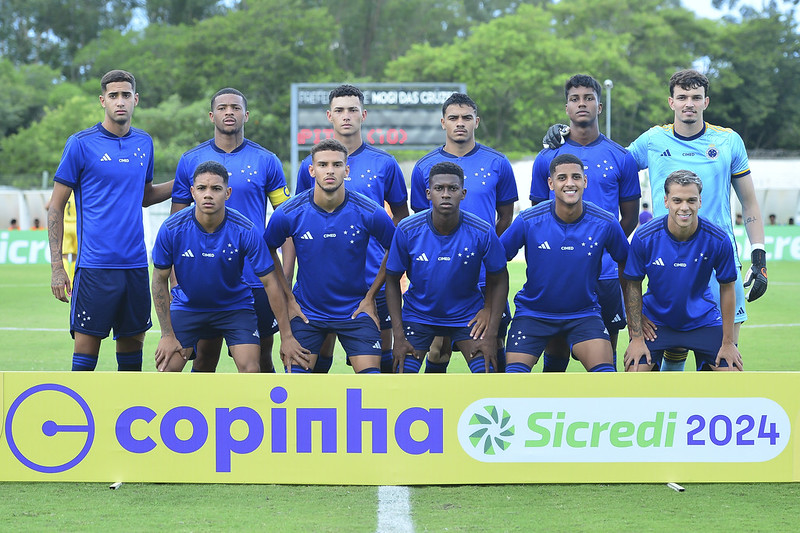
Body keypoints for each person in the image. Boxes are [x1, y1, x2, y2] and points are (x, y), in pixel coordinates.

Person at [544, 69, 767, 371]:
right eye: (683, 97)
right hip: (665, 258)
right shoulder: (652, 139)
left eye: (696, 97)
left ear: (706, 102)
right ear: (671, 102)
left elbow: (749, 202)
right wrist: (569, 137)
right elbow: (609, 164)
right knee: (669, 352)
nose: (689, 103)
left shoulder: (728, 141)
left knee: (724, 354)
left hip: (716, 257)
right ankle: (668, 415)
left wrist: (758, 254)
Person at [48, 69, 173, 371]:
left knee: (131, 361)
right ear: (102, 100)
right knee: (85, 359)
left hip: (134, 267)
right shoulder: (81, 144)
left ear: (136, 100)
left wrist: (186, 181)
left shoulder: (144, 143)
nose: (120, 102)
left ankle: (124, 418)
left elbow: (145, 196)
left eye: (126, 95)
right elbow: (55, 207)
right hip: (94, 268)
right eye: (114, 96)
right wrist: (57, 267)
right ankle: (79, 417)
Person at [171, 87, 292, 373]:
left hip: (256, 278)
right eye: (223, 107)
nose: (229, 112)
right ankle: (196, 417)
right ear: (212, 115)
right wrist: (177, 281)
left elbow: (285, 223)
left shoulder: (267, 160)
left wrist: (284, 277)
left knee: (262, 358)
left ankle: (264, 416)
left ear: (245, 115)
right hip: (204, 278)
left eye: (235, 108)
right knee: (204, 358)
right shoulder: (190, 160)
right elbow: (176, 226)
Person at [151, 161, 307, 373]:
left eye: (216, 188)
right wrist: (167, 335)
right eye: (201, 188)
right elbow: (159, 279)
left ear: (227, 193)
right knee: (167, 369)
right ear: (192, 192)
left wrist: (287, 337)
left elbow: (270, 283)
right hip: (189, 306)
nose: (208, 194)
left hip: (235, 307)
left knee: (252, 369)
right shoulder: (172, 229)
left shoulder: (245, 230)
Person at [295, 84, 409, 373]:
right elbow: (297, 220)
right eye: (340, 110)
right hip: (320, 282)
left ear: (363, 114)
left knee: (380, 357)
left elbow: (400, 220)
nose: (346, 116)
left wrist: (393, 271)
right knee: (318, 353)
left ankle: (384, 415)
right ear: (329, 116)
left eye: (352, 110)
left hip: (373, 280)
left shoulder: (385, 163)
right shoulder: (312, 165)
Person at [530, 74, 640, 372]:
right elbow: (537, 214)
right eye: (575, 99)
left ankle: (607, 412)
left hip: (604, 272)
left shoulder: (621, 157)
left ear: (599, 106)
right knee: (556, 349)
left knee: (605, 351)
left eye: (588, 98)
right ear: (566, 108)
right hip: (558, 271)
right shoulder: (547, 157)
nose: (582, 104)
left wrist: (603, 246)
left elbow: (629, 214)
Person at [264, 139, 396, 374]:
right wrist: (290, 300)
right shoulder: (288, 213)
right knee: (297, 387)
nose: (330, 170)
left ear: (346, 171)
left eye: (336, 165)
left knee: (373, 385)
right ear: (312, 170)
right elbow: (268, 250)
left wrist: (370, 296)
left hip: (355, 311)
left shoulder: (369, 211)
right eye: (323, 165)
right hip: (307, 312)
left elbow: (395, 249)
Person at [409, 92, 518, 372]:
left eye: (467, 118)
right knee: (438, 347)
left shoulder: (498, 162)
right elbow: (424, 220)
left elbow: (505, 216)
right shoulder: (424, 166)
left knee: (492, 344)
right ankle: (437, 411)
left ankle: (500, 407)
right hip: (440, 274)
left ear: (476, 122)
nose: (460, 123)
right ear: (442, 122)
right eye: (454, 118)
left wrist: (488, 253)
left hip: (484, 277)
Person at [500, 154, 629, 373]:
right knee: (513, 380)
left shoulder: (605, 222)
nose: (570, 183)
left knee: (607, 378)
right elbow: (495, 261)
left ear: (585, 181)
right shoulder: (528, 220)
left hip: (584, 314)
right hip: (533, 314)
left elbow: (628, 265)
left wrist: (636, 322)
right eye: (562, 178)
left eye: (576, 177)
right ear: (551, 183)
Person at [386, 161, 509, 373]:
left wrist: (489, 323)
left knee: (487, 372)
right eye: (439, 189)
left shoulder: (481, 231)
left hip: (466, 316)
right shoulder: (408, 230)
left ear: (463, 193)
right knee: (402, 377)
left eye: (452, 189)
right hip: (419, 316)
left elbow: (499, 278)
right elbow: (391, 279)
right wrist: (398, 335)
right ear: (428, 193)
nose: (445, 194)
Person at [623, 170, 742, 371]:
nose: (684, 207)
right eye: (677, 200)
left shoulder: (718, 239)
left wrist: (729, 342)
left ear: (700, 202)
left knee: (730, 372)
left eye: (691, 200)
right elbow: (633, 285)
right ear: (666, 201)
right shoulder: (644, 237)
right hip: (656, 322)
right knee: (635, 370)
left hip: (702, 320)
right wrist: (636, 336)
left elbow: (728, 288)